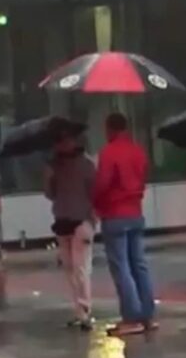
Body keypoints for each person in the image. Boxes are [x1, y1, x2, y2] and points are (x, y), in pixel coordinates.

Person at [93, 113, 155, 337]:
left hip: (115, 214)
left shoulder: (108, 153)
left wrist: (96, 204)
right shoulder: (138, 151)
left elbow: (102, 183)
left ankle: (131, 317)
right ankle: (147, 314)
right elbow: (144, 177)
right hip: (135, 212)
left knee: (121, 267)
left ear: (109, 129)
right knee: (139, 264)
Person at [45, 132, 97, 330]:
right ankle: (78, 309)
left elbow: (94, 192)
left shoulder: (86, 164)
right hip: (62, 220)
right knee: (69, 267)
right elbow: (50, 194)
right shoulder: (54, 166)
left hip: (82, 220)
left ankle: (84, 309)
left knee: (80, 267)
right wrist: (49, 178)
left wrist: (93, 219)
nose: (61, 145)